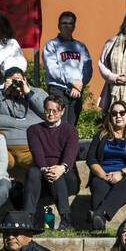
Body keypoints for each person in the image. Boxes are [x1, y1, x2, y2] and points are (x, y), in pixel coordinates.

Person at [75, 100, 126, 232]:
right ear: (110, 116)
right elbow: (91, 159)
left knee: (125, 184)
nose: (118, 116)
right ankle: (99, 225)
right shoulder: (101, 134)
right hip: (103, 173)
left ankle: (97, 213)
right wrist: (104, 175)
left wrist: (121, 173)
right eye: (114, 113)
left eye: (122, 113)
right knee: (98, 185)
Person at [24, 95, 80, 229]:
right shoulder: (34, 130)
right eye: (48, 110)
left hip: (67, 177)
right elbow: (37, 153)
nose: (50, 114)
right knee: (33, 171)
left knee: (57, 174)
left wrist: (61, 168)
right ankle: (28, 219)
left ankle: (66, 220)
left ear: (62, 112)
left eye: (55, 111)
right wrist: (45, 169)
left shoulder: (71, 131)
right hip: (41, 176)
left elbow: (70, 154)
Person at [0, 66, 47, 169]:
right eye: (11, 81)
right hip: (4, 147)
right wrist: (4, 93)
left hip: (31, 147)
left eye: (18, 80)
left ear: (24, 79)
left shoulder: (37, 92)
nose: (15, 84)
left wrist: (28, 93)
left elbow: (47, 111)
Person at [42, 10, 92, 127]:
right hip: (58, 90)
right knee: (59, 125)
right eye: (64, 23)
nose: (67, 26)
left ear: (74, 26)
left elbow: (88, 68)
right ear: (59, 26)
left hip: (77, 91)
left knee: (72, 126)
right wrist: (72, 81)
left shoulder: (81, 46)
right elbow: (52, 69)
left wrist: (80, 84)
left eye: (70, 23)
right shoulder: (51, 45)